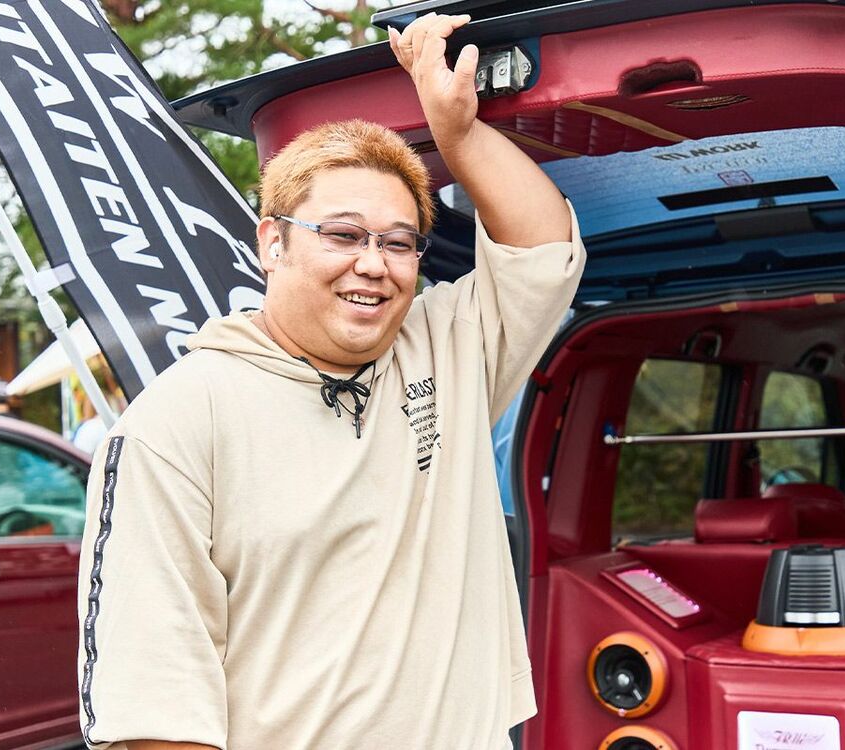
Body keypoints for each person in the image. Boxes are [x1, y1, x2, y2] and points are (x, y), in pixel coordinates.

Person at [76, 13, 583, 750]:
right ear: (272, 243)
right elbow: (155, 703)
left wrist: (457, 133)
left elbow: (542, 249)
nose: (373, 264)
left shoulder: (444, 348)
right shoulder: (176, 426)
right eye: (342, 235)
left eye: (399, 242)